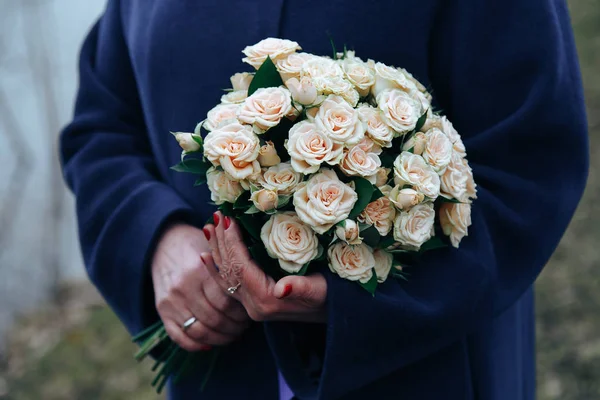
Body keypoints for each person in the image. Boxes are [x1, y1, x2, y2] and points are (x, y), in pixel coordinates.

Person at [59, 0, 588, 399]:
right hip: (223, 372)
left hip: (426, 367)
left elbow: (530, 161)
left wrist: (356, 297)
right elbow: (101, 127)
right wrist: (155, 238)